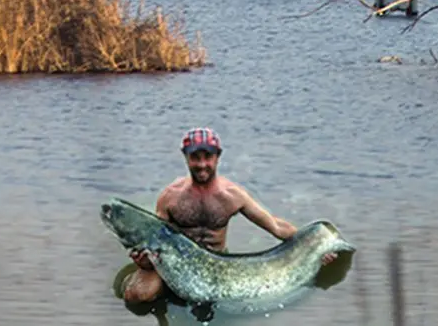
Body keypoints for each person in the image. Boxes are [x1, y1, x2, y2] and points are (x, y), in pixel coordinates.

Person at [121, 127, 338, 304]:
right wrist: (144, 263)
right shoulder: (170, 197)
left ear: (218, 157)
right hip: (177, 266)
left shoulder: (232, 195)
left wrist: (314, 246)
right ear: (185, 157)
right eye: (195, 157)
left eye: (208, 157)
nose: (202, 164)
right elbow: (156, 240)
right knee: (137, 297)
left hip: (216, 266)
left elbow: (277, 227)